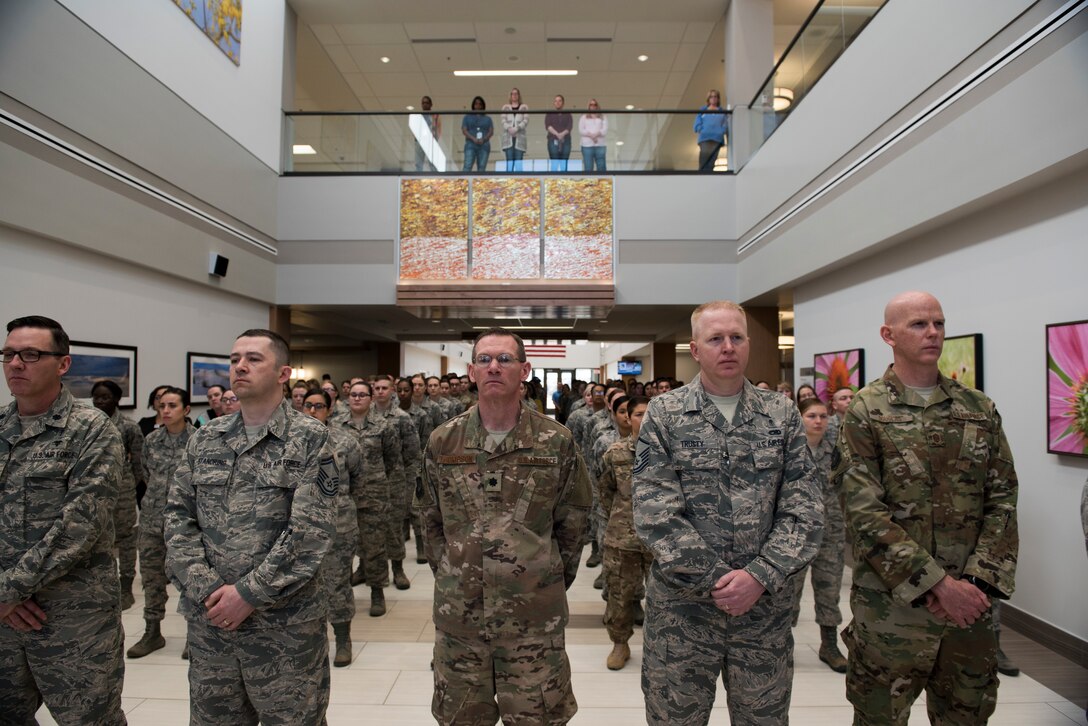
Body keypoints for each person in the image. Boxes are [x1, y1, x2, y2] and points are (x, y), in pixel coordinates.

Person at [632, 300, 823, 725]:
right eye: (715, 339)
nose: (728, 347)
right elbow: (654, 511)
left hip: (763, 613)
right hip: (683, 612)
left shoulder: (781, 413)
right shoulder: (665, 414)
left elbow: (805, 506)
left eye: (736, 337)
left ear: (749, 344)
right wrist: (718, 579)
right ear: (695, 349)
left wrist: (758, 576)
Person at [836, 291, 1019, 725]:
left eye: (938, 322)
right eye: (919, 324)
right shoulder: (866, 410)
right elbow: (864, 513)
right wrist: (939, 586)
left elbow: (1003, 500)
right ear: (889, 335)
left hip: (970, 608)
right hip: (891, 611)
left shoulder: (978, 409)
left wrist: (975, 582)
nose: (933, 332)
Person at [416, 327, 592, 725]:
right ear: (472, 372)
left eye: (505, 359)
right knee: (462, 718)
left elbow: (574, 522)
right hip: (460, 616)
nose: (494, 366)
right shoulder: (444, 442)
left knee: (537, 719)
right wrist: (453, 572)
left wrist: (541, 576)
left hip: (533, 619)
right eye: (484, 359)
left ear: (525, 370)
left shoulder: (555, 441)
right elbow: (429, 520)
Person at [164, 329, 338, 725]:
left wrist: (247, 593)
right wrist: (206, 587)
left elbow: (310, 532)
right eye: (234, 358)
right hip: (212, 622)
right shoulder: (205, 438)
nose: (240, 366)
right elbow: (176, 516)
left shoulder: (311, 439)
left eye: (254, 359)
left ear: (283, 374)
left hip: (284, 626)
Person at [0, 315, 127, 724]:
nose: (16, 363)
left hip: (74, 617)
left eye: (31, 354)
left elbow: (79, 527)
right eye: (8, 354)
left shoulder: (92, 430)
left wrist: (6, 591)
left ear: (63, 364)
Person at [127, 386, 194, 659]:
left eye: (172, 406)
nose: (165, 411)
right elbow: (144, 473)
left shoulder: (199, 441)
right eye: (162, 406)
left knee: (190, 579)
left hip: (187, 522)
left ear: (186, 410)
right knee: (152, 579)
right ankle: (152, 631)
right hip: (153, 521)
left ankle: (195, 635)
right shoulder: (152, 440)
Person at [302, 387, 363, 667]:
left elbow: (359, 480)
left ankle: (343, 639)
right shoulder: (291, 442)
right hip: (300, 527)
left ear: (330, 409)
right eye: (308, 406)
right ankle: (311, 640)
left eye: (319, 406)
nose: (313, 411)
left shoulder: (345, 441)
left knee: (337, 584)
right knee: (303, 587)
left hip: (338, 524)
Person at [789, 397, 848, 672]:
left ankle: (829, 644)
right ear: (800, 418)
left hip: (830, 530)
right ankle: (783, 643)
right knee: (790, 590)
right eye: (812, 416)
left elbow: (849, 487)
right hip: (795, 532)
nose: (818, 421)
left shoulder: (838, 449)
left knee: (829, 588)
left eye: (823, 416)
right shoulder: (790, 447)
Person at [598, 395, 653, 670]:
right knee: (620, 595)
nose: (644, 418)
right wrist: (621, 520)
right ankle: (620, 644)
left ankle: (660, 647)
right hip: (623, 537)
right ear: (628, 418)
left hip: (661, 540)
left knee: (662, 597)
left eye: (649, 413)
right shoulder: (615, 453)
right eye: (639, 414)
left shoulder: (670, 452)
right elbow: (605, 492)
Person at [339, 380, 398, 616]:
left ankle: (377, 591)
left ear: (371, 398)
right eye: (353, 394)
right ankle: (342, 595)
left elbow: (392, 460)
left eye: (362, 395)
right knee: (343, 547)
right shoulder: (336, 426)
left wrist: (375, 480)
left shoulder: (384, 426)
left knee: (375, 546)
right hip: (345, 497)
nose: (357, 398)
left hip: (374, 496)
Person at [91, 379, 142, 610]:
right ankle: (102, 585)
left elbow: (140, 463)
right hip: (93, 490)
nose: (100, 401)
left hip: (122, 491)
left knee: (125, 539)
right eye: (97, 397)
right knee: (98, 538)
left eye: (105, 397)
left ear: (116, 399)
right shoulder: (88, 424)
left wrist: (131, 483)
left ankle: (126, 585)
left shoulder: (129, 426)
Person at [370, 374, 421, 590]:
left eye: (385, 388)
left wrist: (407, 482)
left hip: (394, 482)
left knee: (394, 528)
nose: (380, 391)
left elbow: (412, 453)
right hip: (368, 484)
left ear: (392, 390)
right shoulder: (365, 417)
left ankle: (398, 569)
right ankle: (366, 568)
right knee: (368, 529)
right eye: (377, 388)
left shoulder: (401, 418)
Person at [693, 89, 728, 171]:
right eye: (711, 97)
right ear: (708, 99)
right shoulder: (703, 110)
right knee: (703, 162)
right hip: (705, 138)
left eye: (715, 96)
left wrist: (721, 131)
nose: (713, 98)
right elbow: (697, 123)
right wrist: (701, 130)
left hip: (717, 139)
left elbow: (725, 124)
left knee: (712, 162)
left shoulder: (722, 111)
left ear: (718, 99)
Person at [462, 96, 493, 172]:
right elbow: (464, 130)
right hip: (470, 143)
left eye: (480, 104)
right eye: (476, 104)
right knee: (467, 165)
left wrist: (484, 139)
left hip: (484, 144)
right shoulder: (467, 117)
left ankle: (479, 183)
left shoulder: (488, 119)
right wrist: (473, 139)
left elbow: (491, 131)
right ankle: (464, 183)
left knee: (481, 168)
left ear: (483, 106)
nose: (478, 106)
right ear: (473, 105)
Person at [501, 87, 529, 171]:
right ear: (510, 96)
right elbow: (503, 120)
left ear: (519, 95)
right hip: (508, 138)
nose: (514, 95)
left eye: (516, 93)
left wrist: (516, 128)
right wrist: (509, 129)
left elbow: (526, 120)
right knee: (509, 163)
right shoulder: (505, 107)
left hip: (519, 138)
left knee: (518, 163)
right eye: (512, 94)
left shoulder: (524, 107)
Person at [414, 95, 442, 172]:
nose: (424, 104)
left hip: (431, 141)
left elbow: (439, 129)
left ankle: (434, 178)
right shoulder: (418, 115)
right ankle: (418, 179)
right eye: (423, 103)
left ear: (430, 104)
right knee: (418, 163)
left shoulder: (435, 115)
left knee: (432, 163)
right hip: (420, 141)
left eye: (426, 103)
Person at [545, 94, 573, 172]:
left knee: (564, 164)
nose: (557, 102)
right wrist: (557, 134)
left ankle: (564, 182)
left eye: (559, 101)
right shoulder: (549, 114)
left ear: (563, 103)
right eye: (556, 101)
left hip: (566, 141)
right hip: (552, 140)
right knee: (554, 163)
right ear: (554, 103)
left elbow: (569, 127)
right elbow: (548, 126)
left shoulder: (568, 114)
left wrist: (562, 134)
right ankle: (553, 182)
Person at [579, 98, 608, 171]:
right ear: (588, 106)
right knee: (588, 168)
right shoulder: (584, 117)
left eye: (595, 104)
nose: (593, 106)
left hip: (600, 145)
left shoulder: (603, 116)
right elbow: (581, 130)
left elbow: (604, 130)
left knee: (601, 168)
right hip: (587, 146)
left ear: (597, 106)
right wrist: (592, 136)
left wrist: (596, 135)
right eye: (591, 105)